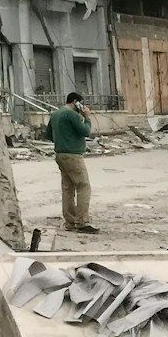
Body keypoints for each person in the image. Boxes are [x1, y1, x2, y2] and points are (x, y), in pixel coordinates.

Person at [49, 92, 98, 233]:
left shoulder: (56, 114)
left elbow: (47, 134)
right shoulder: (72, 114)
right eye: (81, 104)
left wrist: (62, 139)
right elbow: (85, 131)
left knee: (67, 188)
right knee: (83, 186)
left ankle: (70, 221)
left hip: (60, 154)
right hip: (73, 155)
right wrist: (87, 118)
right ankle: (82, 222)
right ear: (76, 102)